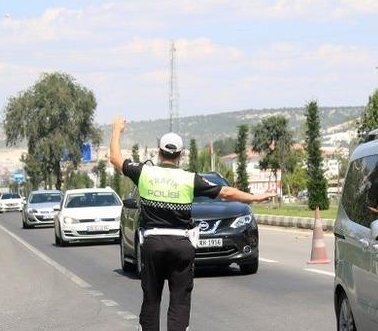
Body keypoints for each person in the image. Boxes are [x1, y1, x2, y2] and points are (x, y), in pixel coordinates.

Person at [109, 115, 274, 331]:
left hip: (152, 245)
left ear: (159, 152)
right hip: (181, 246)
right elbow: (225, 192)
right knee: (179, 301)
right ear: (181, 154)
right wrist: (255, 197)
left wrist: (117, 130)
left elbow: (115, 158)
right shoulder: (189, 179)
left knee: (151, 299)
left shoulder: (144, 173)